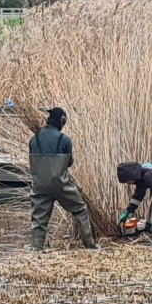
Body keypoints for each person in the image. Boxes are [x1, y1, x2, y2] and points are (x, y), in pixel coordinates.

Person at [28, 107, 98, 251]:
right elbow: (70, 163)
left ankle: (36, 248)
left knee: (39, 219)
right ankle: (90, 245)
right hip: (61, 184)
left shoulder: (33, 140)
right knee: (79, 209)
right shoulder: (64, 139)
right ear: (62, 121)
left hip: (40, 185)